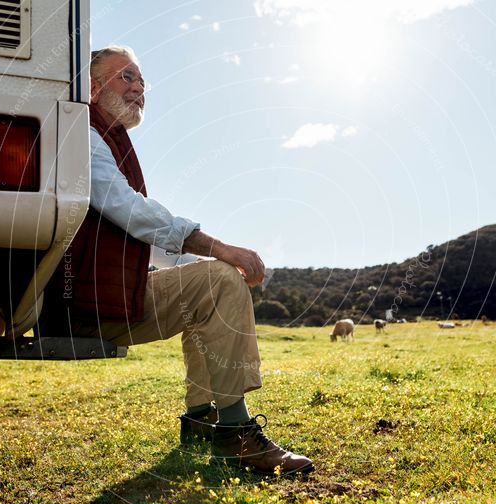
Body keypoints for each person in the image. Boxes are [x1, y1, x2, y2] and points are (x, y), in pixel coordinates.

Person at [43, 45, 313, 475]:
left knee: (204, 284)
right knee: (221, 281)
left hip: (97, 298)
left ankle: (202, 420)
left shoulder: (107, 139)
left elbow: (132, 235)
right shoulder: (83, 135)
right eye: (126, 77)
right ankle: (234, 432)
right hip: (84, 304)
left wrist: (191, 262)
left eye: (142, 80)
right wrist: (218, 248)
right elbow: (124, 207)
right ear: (92, 87)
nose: (139, 87)